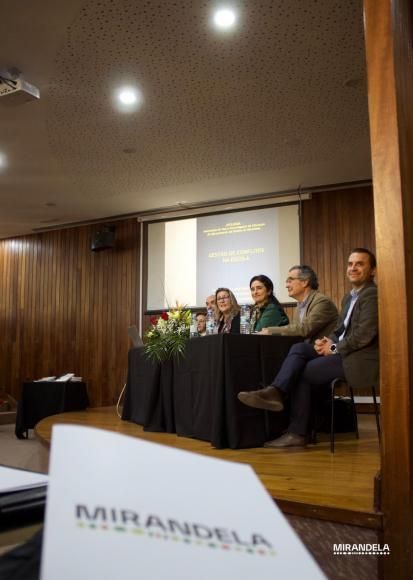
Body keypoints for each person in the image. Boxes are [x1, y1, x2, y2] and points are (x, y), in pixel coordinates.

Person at [238, 248, 378, 448]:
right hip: (340, 352)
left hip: (357, 357)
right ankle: (275, 393)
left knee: (302, 371)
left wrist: (334, 348)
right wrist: (326, 342)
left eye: (359, 264)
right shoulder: (349, 297)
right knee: (299, 349)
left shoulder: (371, 295)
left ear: (372, 270)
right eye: (350, 264)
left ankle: (298, 431)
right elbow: (340, 330)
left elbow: (364, 335)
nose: (353, 268)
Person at [259, 265, 339, 343]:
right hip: (305, 349)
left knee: (296, 349)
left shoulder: (322, 302)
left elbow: (305, 329)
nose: (287, 286)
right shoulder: (299, 306)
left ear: (304, 282)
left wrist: (271, 331)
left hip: (324, 350)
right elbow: (295, 332)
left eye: (290, 281)